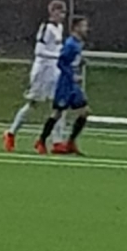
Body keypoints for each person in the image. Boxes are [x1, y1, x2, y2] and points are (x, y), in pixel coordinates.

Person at [3, 0, 68, 153]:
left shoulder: (60, 28)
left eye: (64, 12)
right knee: (33, 104)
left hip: (55, 70)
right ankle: (11, 133)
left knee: (59, 105)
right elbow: (39, 51)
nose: (62, 15)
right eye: (60, 12)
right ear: (52, 12)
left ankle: (57, 141)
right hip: (42, 70)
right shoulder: (46, 27)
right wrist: (57, 56)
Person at [35, 16, 90, 156]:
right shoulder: (70, 44)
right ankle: (41, 140)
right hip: (65, 84)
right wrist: (72, 75)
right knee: (57, 113)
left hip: (73, 85)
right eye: (83, 26)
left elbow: (71, 61)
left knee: (84, 111)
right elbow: (61, 62)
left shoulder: (78, 43)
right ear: (76, 27)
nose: (86, 29)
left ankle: (70, 142)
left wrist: (80, 61)